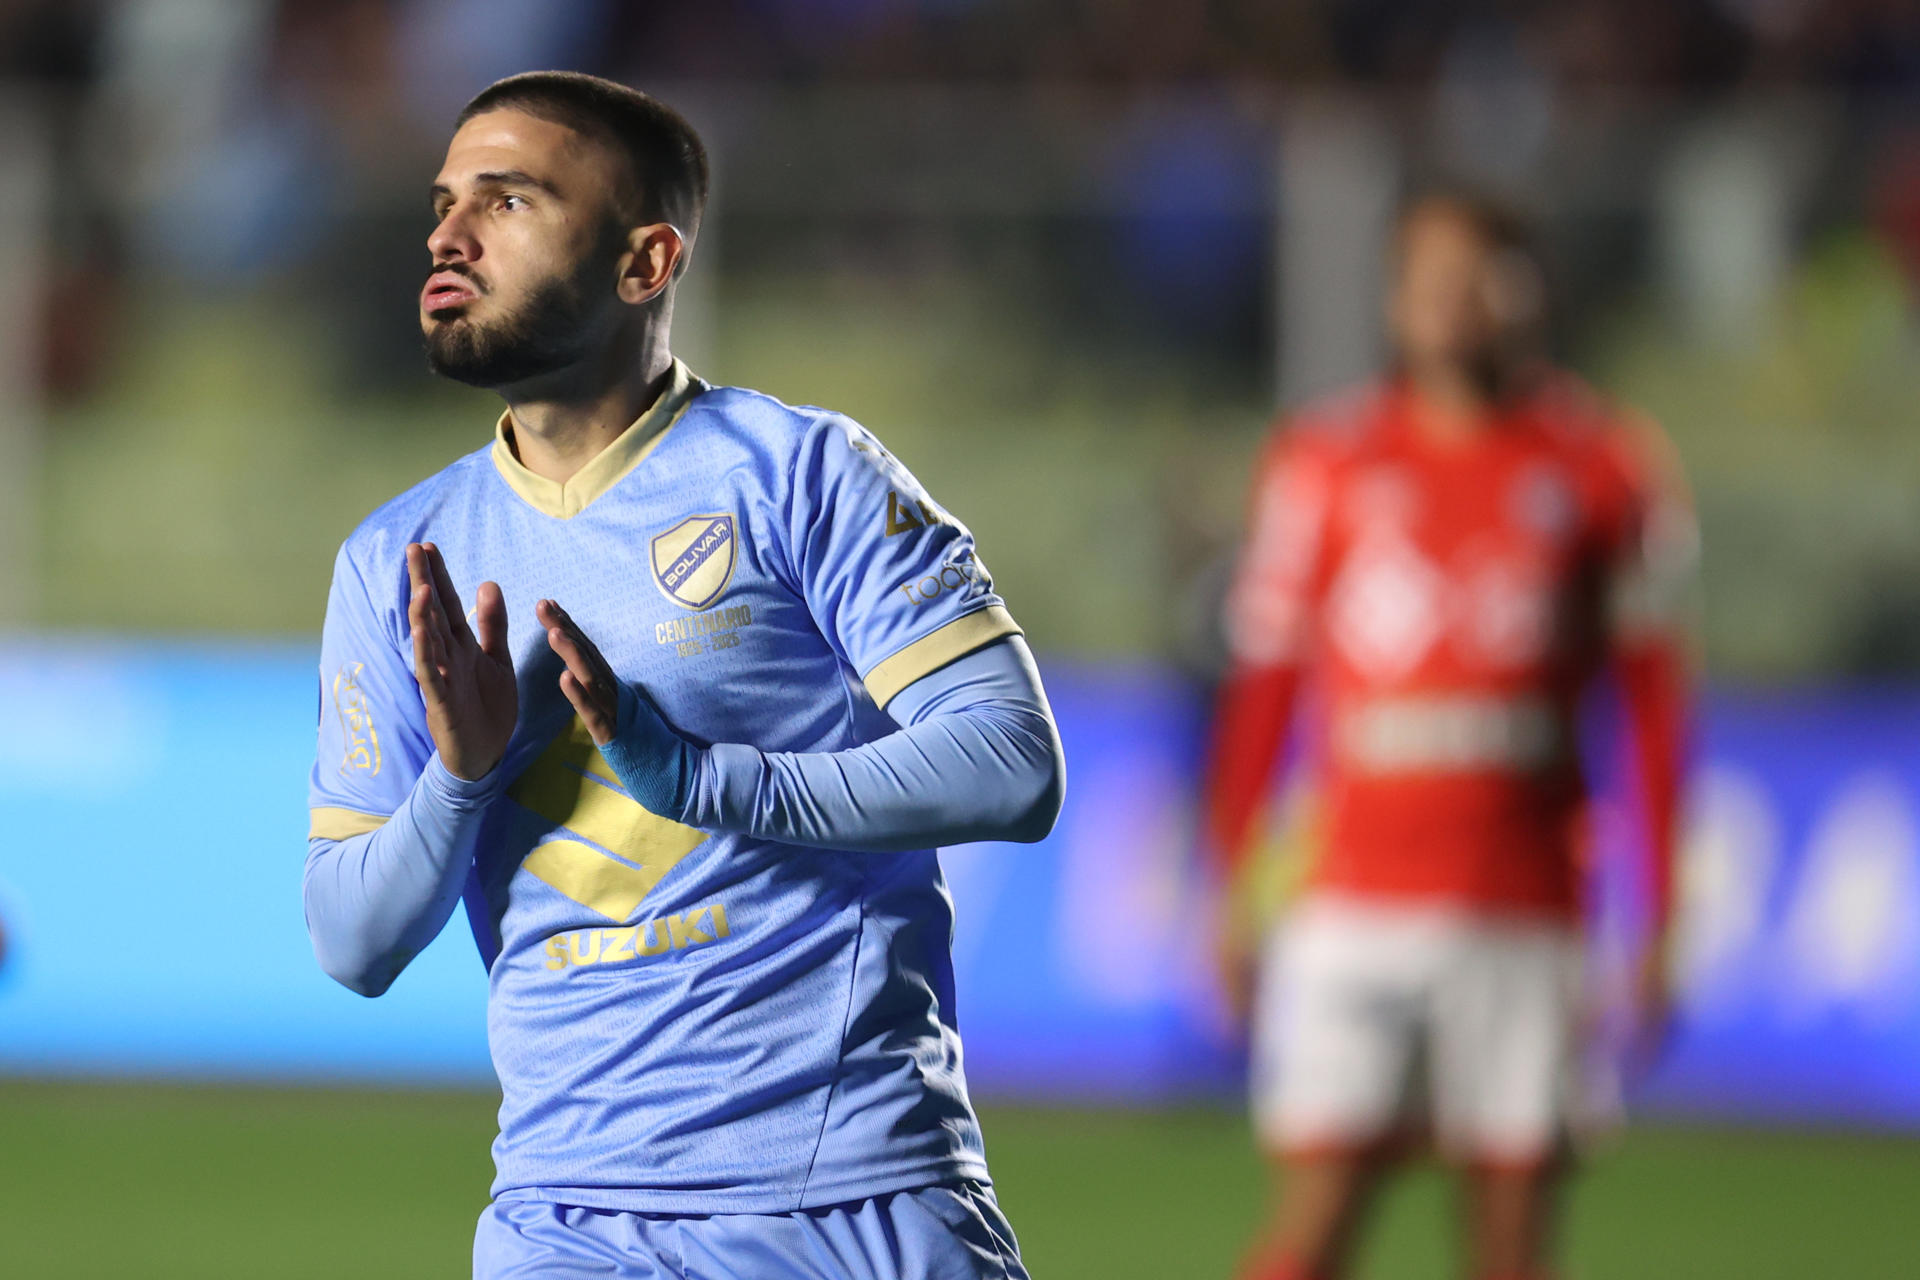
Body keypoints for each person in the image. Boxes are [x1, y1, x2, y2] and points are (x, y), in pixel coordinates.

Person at [302, 71, 1062, 1280]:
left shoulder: (800, 474)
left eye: (508, 200)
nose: (449, 234)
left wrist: (705, 780)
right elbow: (353, 942)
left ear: (645, 261)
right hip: (565, 1217)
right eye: (446, 202)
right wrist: (460, 778)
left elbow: (1012, 762)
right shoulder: (400, 557)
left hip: (850, 1195)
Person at [1206, 189, 1694, 1280]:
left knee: (1510, 1243)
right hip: (1351, 900)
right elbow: (1265, 690)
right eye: (1425, 276)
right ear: (1394, 299)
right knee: (1313, 1223)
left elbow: (1657, 704)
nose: (1449, 299)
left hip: (1524, 904)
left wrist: (1662, 913)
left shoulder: (1606, 465)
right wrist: (1229, 884)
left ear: (1528, 291)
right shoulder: (1323, 462)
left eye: (1476, 274)